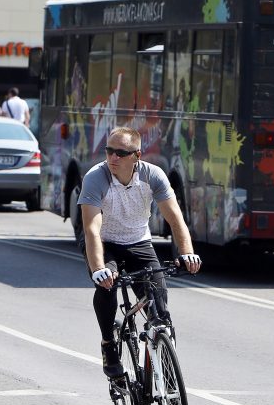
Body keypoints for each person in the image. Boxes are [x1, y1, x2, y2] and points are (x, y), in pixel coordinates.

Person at [79, 127, 201, 378]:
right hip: (104, 242)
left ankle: (165, 367)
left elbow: (175, 218)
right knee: (106, 285)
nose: (113, 158)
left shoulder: (152, 175)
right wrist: (100, 269)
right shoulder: (96, 177)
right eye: (109, 151)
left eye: (120, 153)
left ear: (137, 155)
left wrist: (187, 252)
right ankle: (108, 344)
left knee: (159, 305)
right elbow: (91, 228)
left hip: (138, 241)